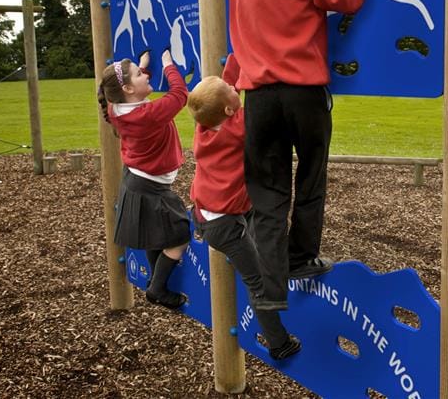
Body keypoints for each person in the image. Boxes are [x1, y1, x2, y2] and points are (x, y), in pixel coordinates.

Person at [226, 0, 370, 307]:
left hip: (260, 98)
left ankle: (271, 287)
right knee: (310, 176)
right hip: (303, 90)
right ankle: (301, 258)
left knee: (267, 189)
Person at [187, 55, 301, 360]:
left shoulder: (205, 125)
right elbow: (259, 114)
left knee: (260, 229)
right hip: (224, 225)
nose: (233, 87)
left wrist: (243, 48)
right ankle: (279, 343)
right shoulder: (238, 129)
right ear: (229, 109)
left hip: (209, 211)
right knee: (257, 281)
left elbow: (232, 80)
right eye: (229, 89)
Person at [97, 48, 190, 311]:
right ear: (127, 87)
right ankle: (158, 288)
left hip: (138, 180)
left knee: (155, 234)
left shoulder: (117, 108)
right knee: (179, 235)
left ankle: (154, 278)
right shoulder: (147, 115)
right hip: (149, 185)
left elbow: (132, 90)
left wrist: (144, 67)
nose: (144, 75)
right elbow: (179, 95)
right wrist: (168, 65)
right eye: (139, 74)